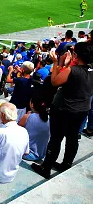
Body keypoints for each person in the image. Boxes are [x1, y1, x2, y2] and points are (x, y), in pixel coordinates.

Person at [32, 42, 93, 178]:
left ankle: (46, 167)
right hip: (82, 110)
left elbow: (55, 81)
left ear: (77, 55)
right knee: (72, 138)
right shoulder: (87, 69)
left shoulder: (73, 70)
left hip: (63, 109)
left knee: (56, 138)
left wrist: (55, 62)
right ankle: (66, 164)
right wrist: (66, 65)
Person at [0, 103, 30, 183]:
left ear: (2, 115)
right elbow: (26, 152)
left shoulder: (0, 133)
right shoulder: (24, 131)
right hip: (10, 176)